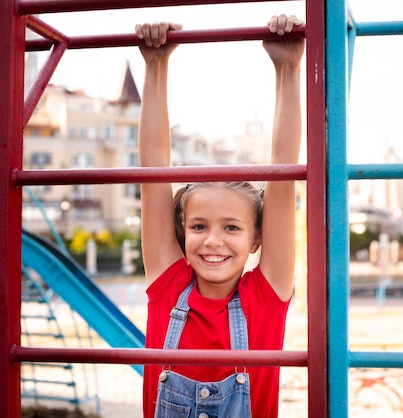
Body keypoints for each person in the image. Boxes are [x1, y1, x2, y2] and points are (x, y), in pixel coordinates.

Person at [135, 14, 305, 418]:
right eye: (198, 226)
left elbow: (283, 171)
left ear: (257, 237)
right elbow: (152, 169)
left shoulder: (265, 297)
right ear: (181, 232)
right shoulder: (168, 283)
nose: (212, 240)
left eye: (231, 227)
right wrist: (156, 65)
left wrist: (287, 68)